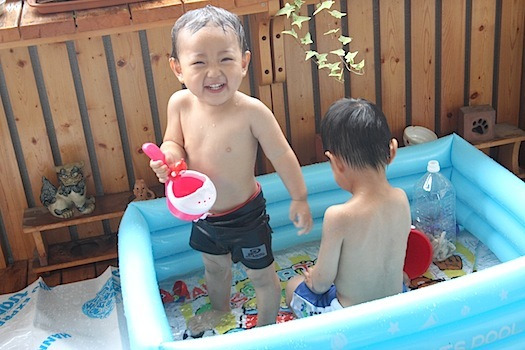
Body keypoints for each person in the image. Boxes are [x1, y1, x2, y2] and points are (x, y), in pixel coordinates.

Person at [149, 5, 313, 333]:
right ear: (178, 68)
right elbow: (173, 142)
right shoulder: (179, 104)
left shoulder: (251, 112)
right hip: (205, 214)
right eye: (199, 62)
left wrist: (299, 197)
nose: (214, 72)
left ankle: (267, 327)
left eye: (225, 59)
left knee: (261, 275)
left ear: (244, 62)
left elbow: (282, 155)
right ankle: (220, 309)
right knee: (213, 268)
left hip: (246, 214)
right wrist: (167, 157)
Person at [285, 98, 411, 318]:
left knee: (292, 285)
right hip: (396, 306)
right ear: (392, 150)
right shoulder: (401, 199)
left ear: (335, 162)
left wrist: (312, 277)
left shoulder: (339, 216)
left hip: (350, 320)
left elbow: (322, 284)